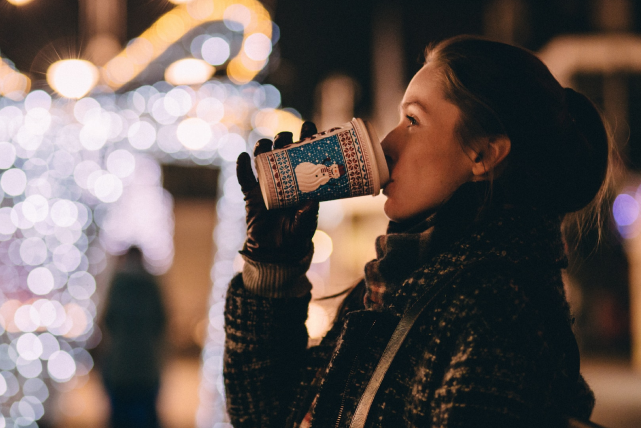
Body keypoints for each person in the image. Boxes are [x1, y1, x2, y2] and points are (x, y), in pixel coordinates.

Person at [224, 35, 612, 428]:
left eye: (412, 120)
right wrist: (274, 268)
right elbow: (266, 416)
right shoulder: (399, 282)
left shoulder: (495, 311)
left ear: (483, 154)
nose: (387, 144)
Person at [100, 246, 167, 428]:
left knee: (121, 416)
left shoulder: (118, 285)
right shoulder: (151, 284)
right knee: (145, 416)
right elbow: (161, 321)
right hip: (146, 365)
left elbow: (108, 320)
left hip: (121, 365)